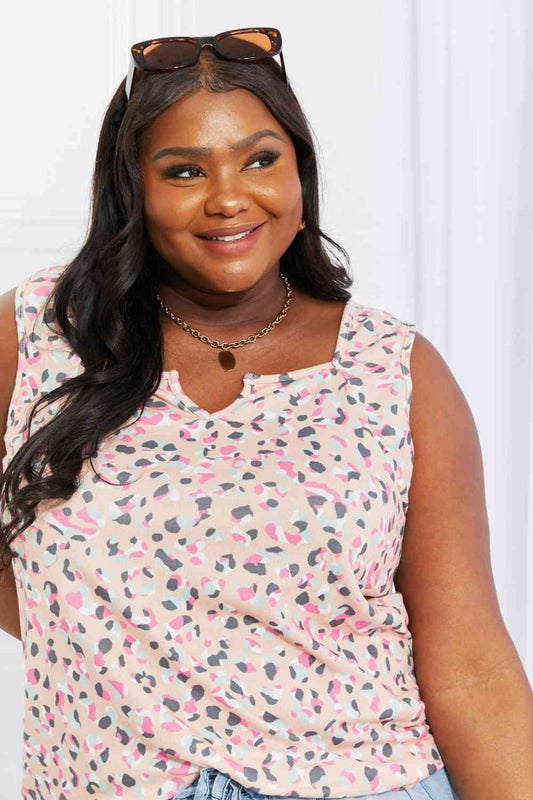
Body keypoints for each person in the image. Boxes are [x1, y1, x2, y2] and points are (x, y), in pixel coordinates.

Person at [0, 27, 531, 800]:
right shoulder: (41, 333)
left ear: (299, 171)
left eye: (259, 160)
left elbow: (470, 665)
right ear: (133, 189)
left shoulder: (392, 367)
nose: (228, 197)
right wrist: (108, 642)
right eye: (184, 170)